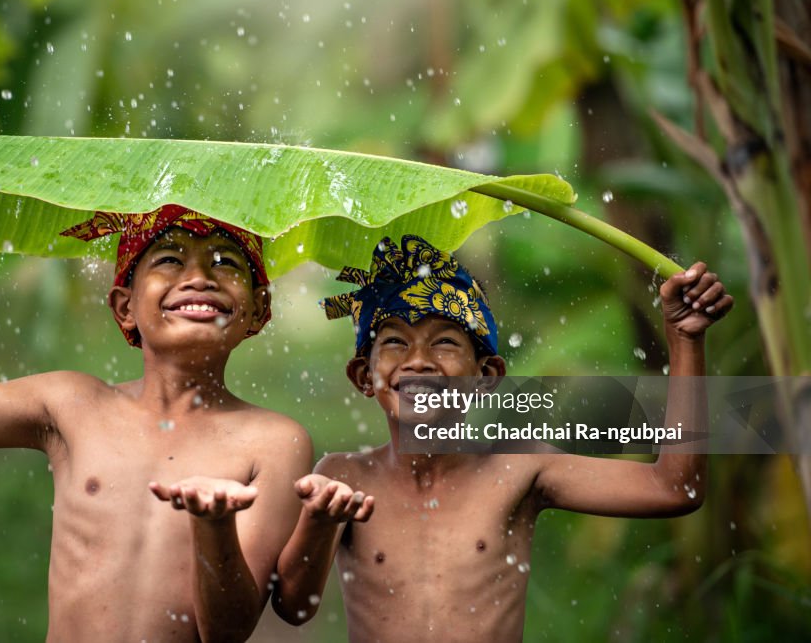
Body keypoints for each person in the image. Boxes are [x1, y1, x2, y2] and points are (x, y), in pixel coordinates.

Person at [0, 132, 312, 643]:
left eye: (226, 261)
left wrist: (213, 526)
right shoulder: (73, 406)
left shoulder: (273, 442)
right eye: (169, 259)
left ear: (258, 309)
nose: (199, 275)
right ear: (125, 306)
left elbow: (228, 630)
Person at [272, 234, 732, 642]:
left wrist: (684, 341)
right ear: (364, 376)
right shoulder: (342, 478)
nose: (418, 361)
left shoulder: (519, 468)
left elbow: (676, 489)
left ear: (486, 375)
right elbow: (293, 608)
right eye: (394, 341)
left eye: (446, 343)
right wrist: (318, 522)